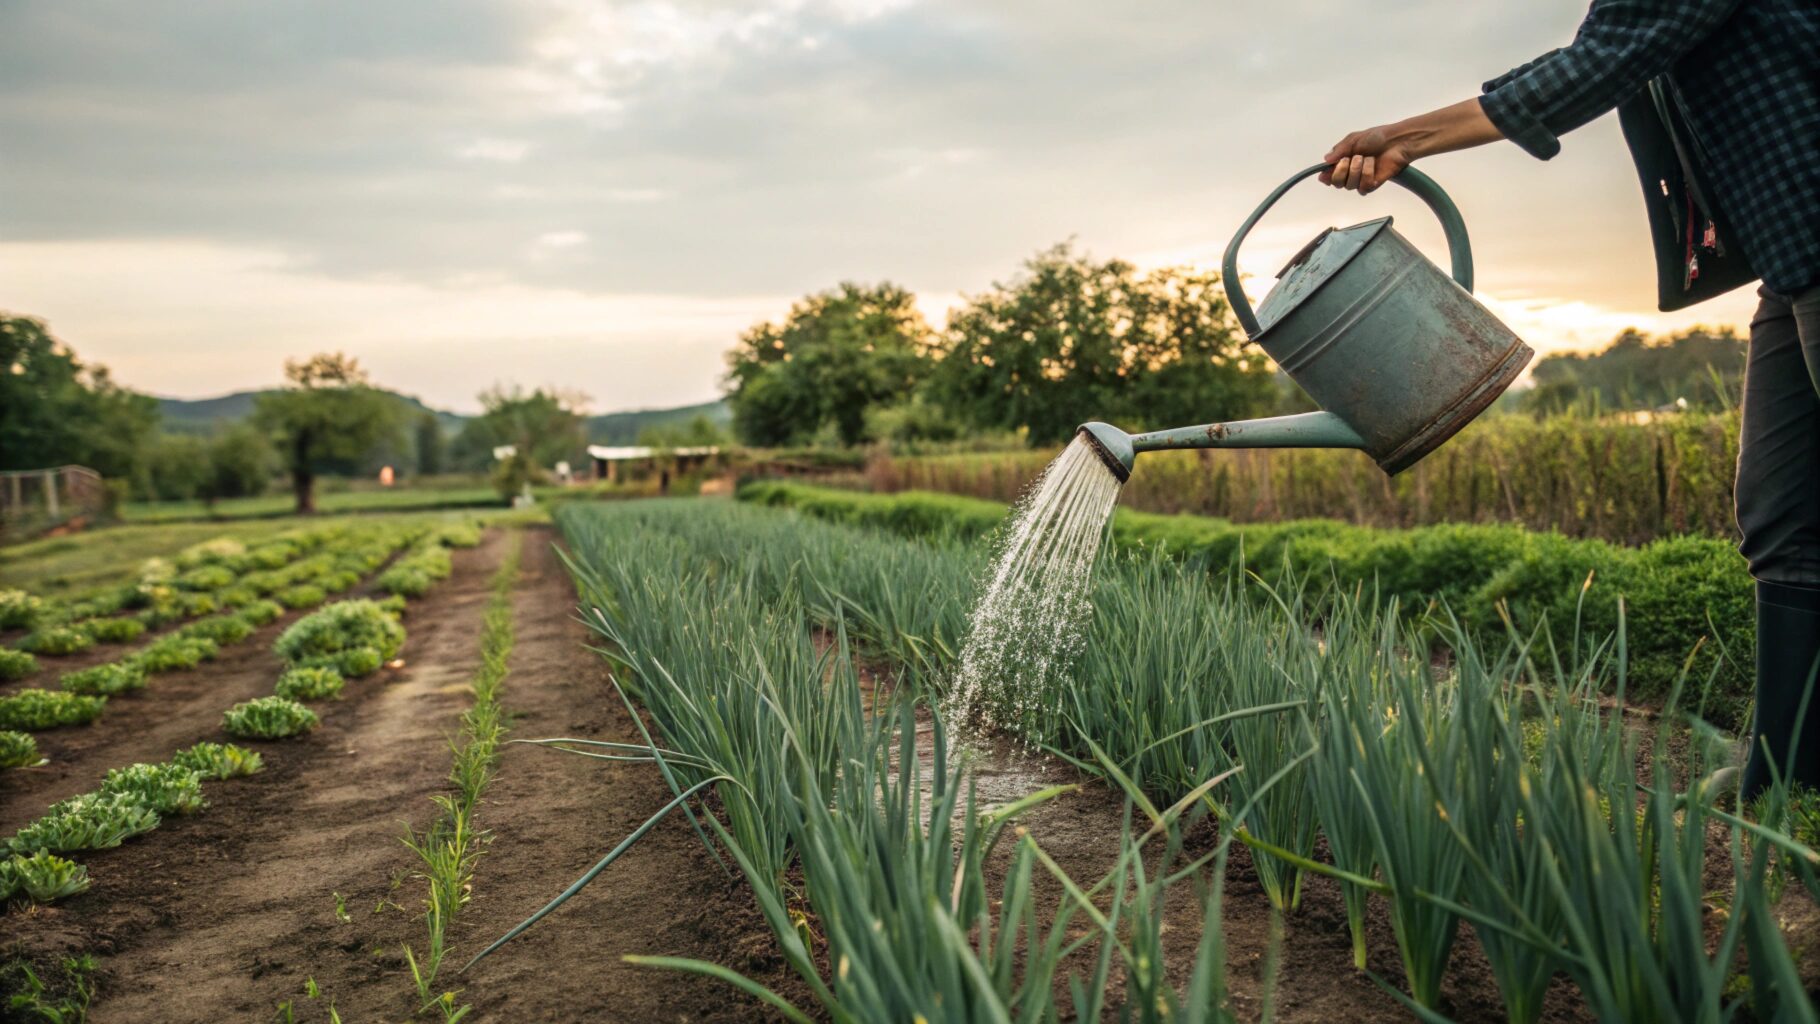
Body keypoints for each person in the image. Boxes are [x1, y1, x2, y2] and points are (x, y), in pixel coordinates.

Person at [1318, 0, 1818, 801]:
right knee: (1781, 513)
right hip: (1791, 255)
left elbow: (1599, 64)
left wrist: (1404, 138)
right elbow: (1608, 46)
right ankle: (1791, 765)